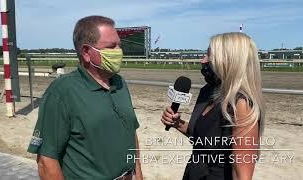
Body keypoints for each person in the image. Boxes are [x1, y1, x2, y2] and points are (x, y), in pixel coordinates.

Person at [27, 15, 142, 180]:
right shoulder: (62, 91)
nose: (119, 51)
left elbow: (131, 133)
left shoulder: (120, 83)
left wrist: (138, 173)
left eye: (119, 45)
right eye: (112, 46)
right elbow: (47, 161)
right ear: (87, 53)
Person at [161, 32, 264, 180]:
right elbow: (203, 138)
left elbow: (242, 175)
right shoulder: (207, 91)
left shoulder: (241, 105)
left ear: (230, 61)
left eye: (209, 56)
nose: (203, 61)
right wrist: (178, 123)